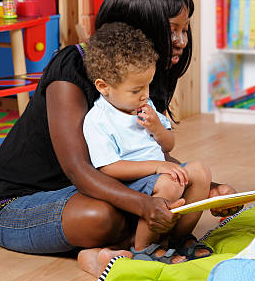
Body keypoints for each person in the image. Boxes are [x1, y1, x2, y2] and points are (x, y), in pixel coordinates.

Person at [0, 0, 237, 276]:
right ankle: (118, 249)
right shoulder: (71, 68)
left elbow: (143, 151)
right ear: (141, 28)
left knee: (167, 191)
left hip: (87, 189)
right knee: (104, 215)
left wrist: (207, 190)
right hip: (14, 203)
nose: (181, 42)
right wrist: (144, 204)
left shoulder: (144, 75)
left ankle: (115, 251)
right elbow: (80, 170)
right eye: (172, 30)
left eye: (185, 30)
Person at [82, 22, 212, 265]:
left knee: (200, 172)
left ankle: (178, 237)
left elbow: (168, 145)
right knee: (170, 184)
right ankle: (145, 248)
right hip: (132, 183)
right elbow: (108, 168)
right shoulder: (98, 119)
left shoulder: (145, 106)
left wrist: (157, 128)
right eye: (136, 89)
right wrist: (157, 167)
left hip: (159, 174)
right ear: (104, 86)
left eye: (148, 85)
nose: (145, 94)